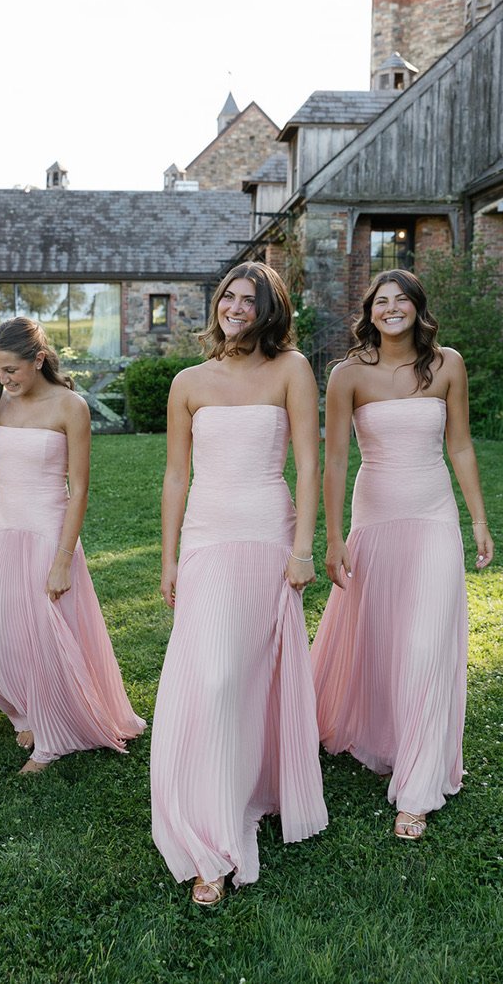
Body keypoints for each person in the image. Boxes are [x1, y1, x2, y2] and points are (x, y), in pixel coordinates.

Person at [151, 262, 328, 906]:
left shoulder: (292, 370)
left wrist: (303, 547)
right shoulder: (188, 382)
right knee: (214, 674)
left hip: (268, 536)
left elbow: (309, 464)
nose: (235, 307)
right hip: (205, 538)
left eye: (250, 300)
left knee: (250, 673)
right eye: (228, 296)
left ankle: (248, 791)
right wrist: (169, 557)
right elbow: (176, 475)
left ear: (269, 311)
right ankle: (214, 835)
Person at [311, 268, 494, 841]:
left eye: (402, 300)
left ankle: (416, 789)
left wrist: (479, 519)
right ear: (369, 312)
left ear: (418, 308)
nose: (392, 309)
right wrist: (334, 535)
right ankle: (383, 734)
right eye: (381, 301)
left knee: (426, 643)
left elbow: (459, 444)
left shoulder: (447, 365)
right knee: (382, 634)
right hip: (376, 517)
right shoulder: (347, 375)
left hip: (434, 516)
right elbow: (335, 460)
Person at [0, 317, 145, 774]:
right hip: (3, 533)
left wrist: (63, 560)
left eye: (11, 370)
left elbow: (79, 488)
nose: (3, 380)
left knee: (42, 643)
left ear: (38, 360)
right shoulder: (0, 405)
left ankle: (49, 740)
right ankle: (23, 713)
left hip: (48, 533)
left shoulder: (71, 406)